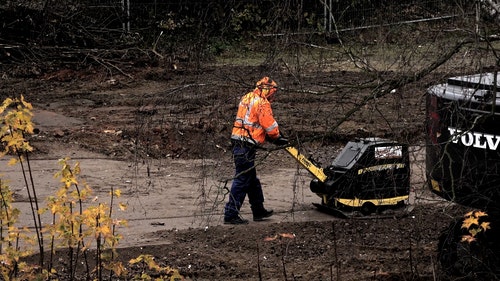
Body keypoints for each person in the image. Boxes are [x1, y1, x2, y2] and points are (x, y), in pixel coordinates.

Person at [223, 76, 288, 225]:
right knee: (242, 179)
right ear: (267, 90)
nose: (273, 96)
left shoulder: (247, 97)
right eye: (272, 93)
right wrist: (277, 137)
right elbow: (269, 125)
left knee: (251, 179)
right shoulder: (262, 103)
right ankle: (230, 214)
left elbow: (250, 121)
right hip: (246, 144)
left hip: (239, 142)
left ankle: (258, 210)